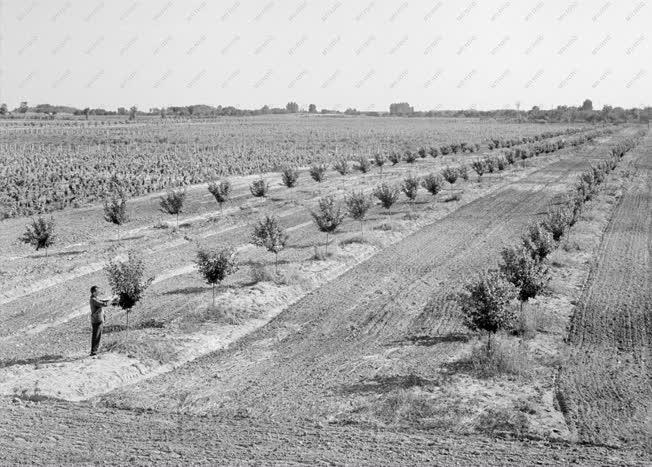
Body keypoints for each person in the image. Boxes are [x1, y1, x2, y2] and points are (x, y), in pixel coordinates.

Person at [89, 285, 116, 356]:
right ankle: (94, 352)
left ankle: (94, 351)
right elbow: (104, 304)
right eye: (97, 291)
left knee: (97, 335)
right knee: (96, 336)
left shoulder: (95, 298)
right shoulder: (94, 300)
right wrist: (112, 300)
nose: (99, 292)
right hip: (97, 320)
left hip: (98, 319)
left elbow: (103, 301)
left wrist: (111, 300)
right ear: (94, 292)